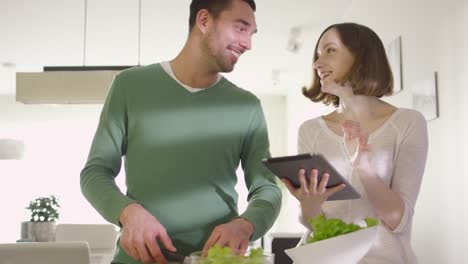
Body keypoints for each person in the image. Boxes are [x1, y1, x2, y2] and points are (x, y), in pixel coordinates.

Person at [80, 1, 282, 263]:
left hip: (215, 260)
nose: (248, 44)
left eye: (252, 34)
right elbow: (95, 172)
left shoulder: (247, 106)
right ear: (204, 20)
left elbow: (268, 187)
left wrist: (245, 224)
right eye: (241, 29)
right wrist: (128, 212)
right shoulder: (129, 86)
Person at [281, 23, 428, 263]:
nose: (317, 64)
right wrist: (310, 204)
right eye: (317, 56)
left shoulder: (408, 123)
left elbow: (398, 220)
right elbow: (313, 223)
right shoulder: (309, 130)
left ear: (361, 57)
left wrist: (364, 168)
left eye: (330, 51)